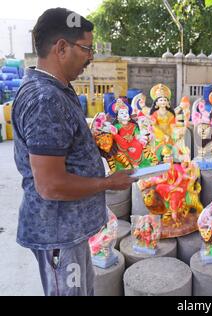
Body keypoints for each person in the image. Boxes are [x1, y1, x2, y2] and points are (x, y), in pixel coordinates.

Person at [12, 8, 136, 296]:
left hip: (68, 230)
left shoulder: (56, 90)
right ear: (61, 48)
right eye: (87, 49)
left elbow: (61, 148)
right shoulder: (46, 99)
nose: (91, 57)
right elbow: (51, 185)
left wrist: (95, 147)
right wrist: (109, 182)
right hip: (58, 233)